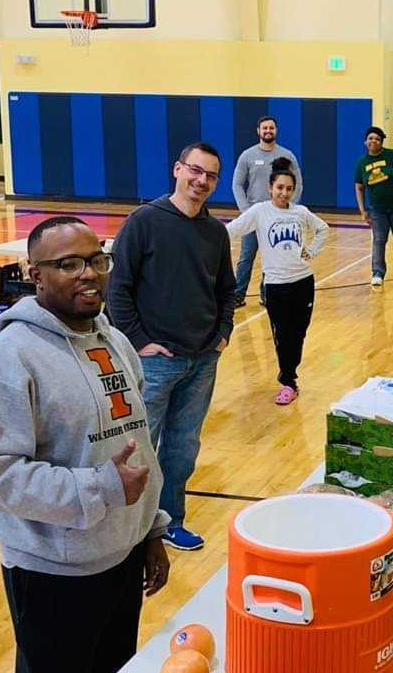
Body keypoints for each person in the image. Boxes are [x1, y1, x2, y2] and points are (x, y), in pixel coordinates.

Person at [0, 216, 171, 673]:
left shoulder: (115, 341)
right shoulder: (8, 359)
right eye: (68, 264)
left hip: (120, 559)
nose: (89, 274)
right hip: (52, 574)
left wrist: (149, 532)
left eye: (97, 260)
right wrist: (101, 488)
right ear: (34, 275)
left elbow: (135, 443)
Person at [106, 141, 235, 551]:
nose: (201, 181)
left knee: (182, 450)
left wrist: (223, 333)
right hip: (155, 362)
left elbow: (227, 290)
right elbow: (118, 289)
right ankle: (131, 529)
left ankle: (170, 521)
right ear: (178, 169)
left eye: (210, 176)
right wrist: (139, 342)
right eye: (195, 171)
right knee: (140, 449)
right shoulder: (144, 221)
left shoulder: (215, 232)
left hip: (202, 360)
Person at [227, 158, 329, 405]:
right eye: (280, 187)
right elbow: (232, 229)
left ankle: (290, 373)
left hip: (303, 282)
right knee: (282, 335)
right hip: (276, 286)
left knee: (298, 334)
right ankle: (288, 381)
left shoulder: (300, 212)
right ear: (270, 188)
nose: (284, 193)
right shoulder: (260, 211)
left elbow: (323, 228)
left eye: (288, 189)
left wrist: (312, 251)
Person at [232, 116, 303, 307]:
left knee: (273, 258)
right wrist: (246, 211)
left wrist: (288, 209)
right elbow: (237, 184)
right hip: (254, 216)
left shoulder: (287, 155)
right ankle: (238, 295)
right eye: (265, 128)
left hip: (278, 217)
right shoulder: (247, 155)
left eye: (271, 128)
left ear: (276, 130)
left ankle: (267, 294)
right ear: (258, 131)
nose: (268, 131)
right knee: (246, 257)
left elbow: (298, 184)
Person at [354, 125, 393, 288]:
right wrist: (362, 210)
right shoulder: (362, 163)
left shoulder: (392, 156)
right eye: (370, 138)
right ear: (365, 142)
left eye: (377, 139)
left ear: (382, 142)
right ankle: (377, 273)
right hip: (376, 209)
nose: (373, 141)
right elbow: (359, 187)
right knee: (379, 240)